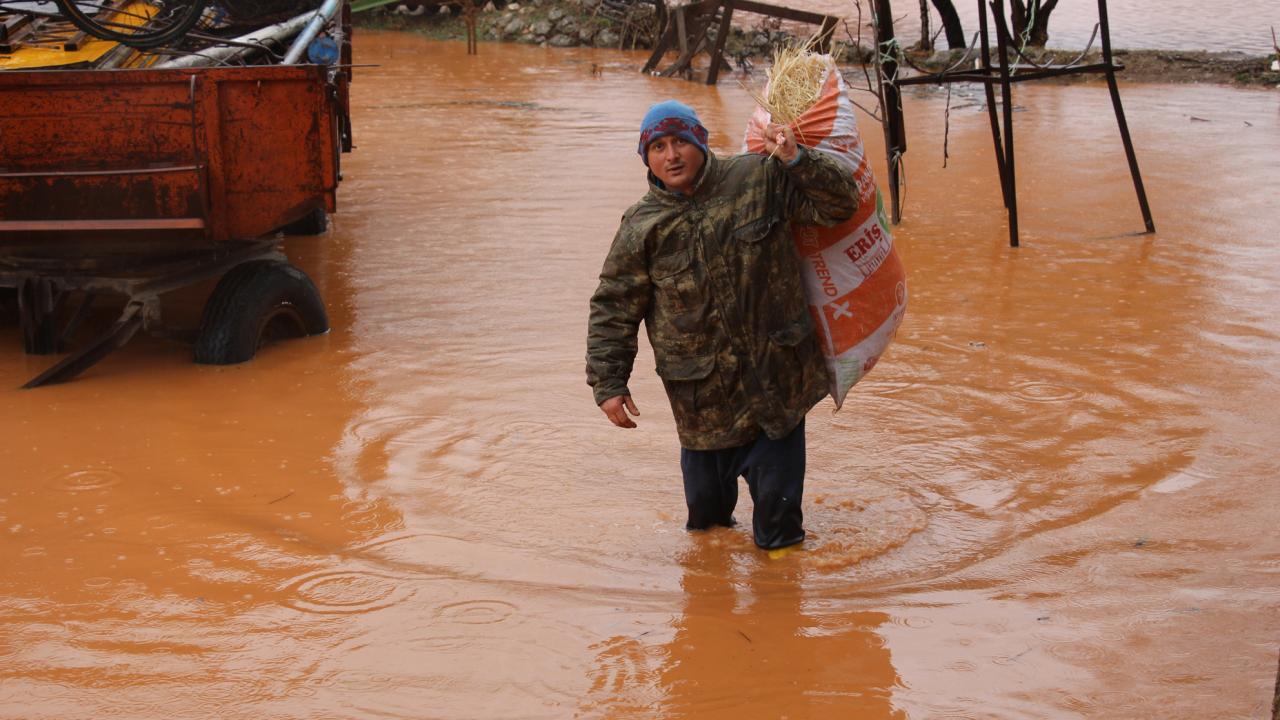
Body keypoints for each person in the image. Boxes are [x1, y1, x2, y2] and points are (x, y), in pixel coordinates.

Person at [585, 99, 860, 551]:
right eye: (657, 147)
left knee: (781, 537)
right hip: (703, 407)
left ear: (701, 141)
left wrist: (795, 158)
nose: (671, 156)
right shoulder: (642, 226)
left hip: (777, 395)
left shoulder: (758, 176)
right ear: (646, 158)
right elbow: (613, 307)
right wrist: (609, 383)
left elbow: (840, 205)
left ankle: (779, 614)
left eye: (680, 142)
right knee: (707, 535)